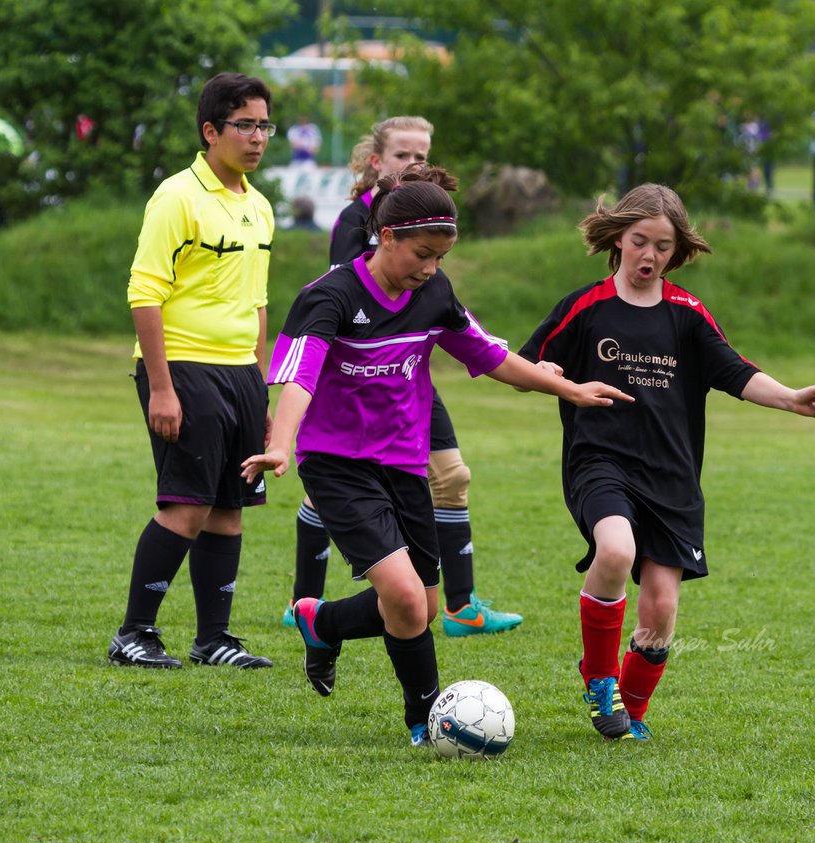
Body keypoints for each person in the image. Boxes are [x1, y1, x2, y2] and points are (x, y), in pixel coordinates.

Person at [242, 165, 633, 746]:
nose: (430, 269)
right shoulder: (330, 297)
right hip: (337, 463)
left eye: (441, 258)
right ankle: (426, 719)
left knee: (419, 609)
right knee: (402, 597)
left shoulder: (433, 295)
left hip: (404, 463)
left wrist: (569, 388)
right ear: (387, 236)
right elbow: (298, 378)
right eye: (422, 254)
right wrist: (279, 445)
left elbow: (490, 355)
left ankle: (320, 620)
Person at [518, 184, 815, 741]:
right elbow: (525, 366)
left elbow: (736, 371)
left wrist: (790, 397)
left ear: (676, 249)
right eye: (640, 241)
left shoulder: (687, 314)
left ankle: (629, 716)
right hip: (601, 462)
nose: (649, 256)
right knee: (616, 550)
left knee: (660, 611)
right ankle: (599, 679)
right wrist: (564, 386)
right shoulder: (584, 308)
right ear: (618, 236)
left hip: (672, 478)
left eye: (663, 246)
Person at [283, 115, 525, 638]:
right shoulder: (358, 222)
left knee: (452, 477)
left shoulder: (433, 228)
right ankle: (307, 598)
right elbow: (354, 302)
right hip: (359, 383)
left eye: (423, 155)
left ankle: (459, 605)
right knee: (330, 487)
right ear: (377, 162)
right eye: (402, 156)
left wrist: (554, 380)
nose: (414, 164)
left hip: (408, 376)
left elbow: (461, 332)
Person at [107, 72, 279, 671]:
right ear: (211, 131)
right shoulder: (176, 196)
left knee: (229, 508)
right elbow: (144, 293)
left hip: (239, 374)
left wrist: (259, 386)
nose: (257, 137)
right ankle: (134, 634)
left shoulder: (259, 205)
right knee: (186, 506)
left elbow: (257, 304)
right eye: (245, 125)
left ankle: (215, 639)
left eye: (264, 125)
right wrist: (161, 386)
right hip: (184, 367)